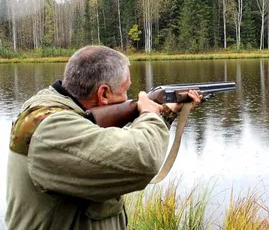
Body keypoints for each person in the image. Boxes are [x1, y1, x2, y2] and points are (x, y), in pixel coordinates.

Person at [5, 45, 202, 230]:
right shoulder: (52, 130)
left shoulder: (58, 109)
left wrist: (166, 113)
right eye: (125, 91)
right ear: (104, 93)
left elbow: (110, 147)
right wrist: (149, 114)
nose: (128, 98)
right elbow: (143, 159)